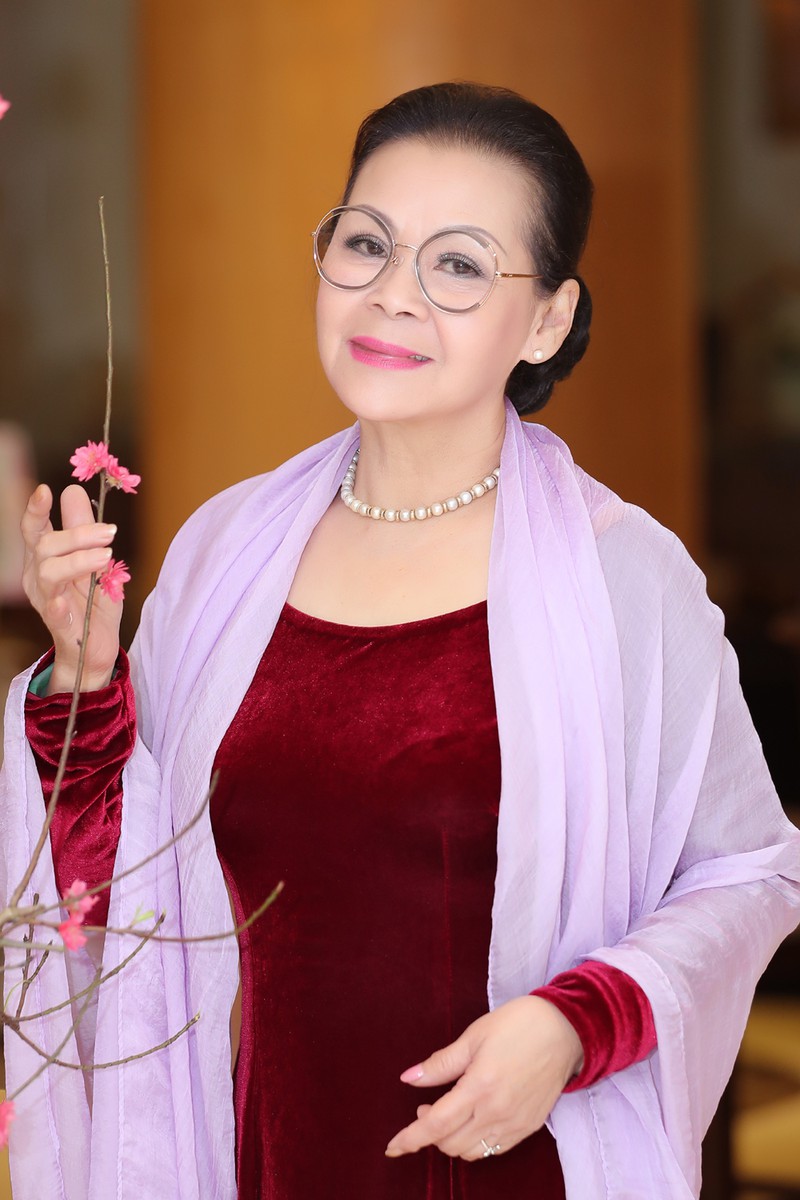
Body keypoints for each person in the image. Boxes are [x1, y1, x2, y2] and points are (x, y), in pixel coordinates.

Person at [2, 82, 799, 1200]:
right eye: (367, 243)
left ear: (547, 320)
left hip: (518, 1159)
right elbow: (120, 890)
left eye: (459, 264)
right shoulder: (227, 552)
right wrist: (86, 684)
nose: (392, 294)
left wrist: (577, 1023)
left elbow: (750, 871)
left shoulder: (621, 574)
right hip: (270, 1157)